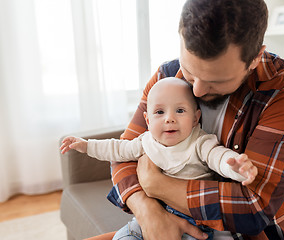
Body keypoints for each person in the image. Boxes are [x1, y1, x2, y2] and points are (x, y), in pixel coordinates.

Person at [88, 0, 284, 239]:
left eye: (215, 81)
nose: (196, 90)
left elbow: (253, 209)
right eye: (190, 71)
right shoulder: (167, 75)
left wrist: (155, 183)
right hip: (166, 218)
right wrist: (148, 212)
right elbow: (125, 154)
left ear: (255, 58)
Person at [60, 77, 258, 240]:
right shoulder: (145, 141)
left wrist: (237, 167)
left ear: (195, 118)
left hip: (195, 225)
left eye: (180, 111)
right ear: (147, 120)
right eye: (160, 112)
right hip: (151, 220)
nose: (169, 118)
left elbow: (219, 157)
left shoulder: (199, 142)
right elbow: (117, 149)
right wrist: (86, 146)